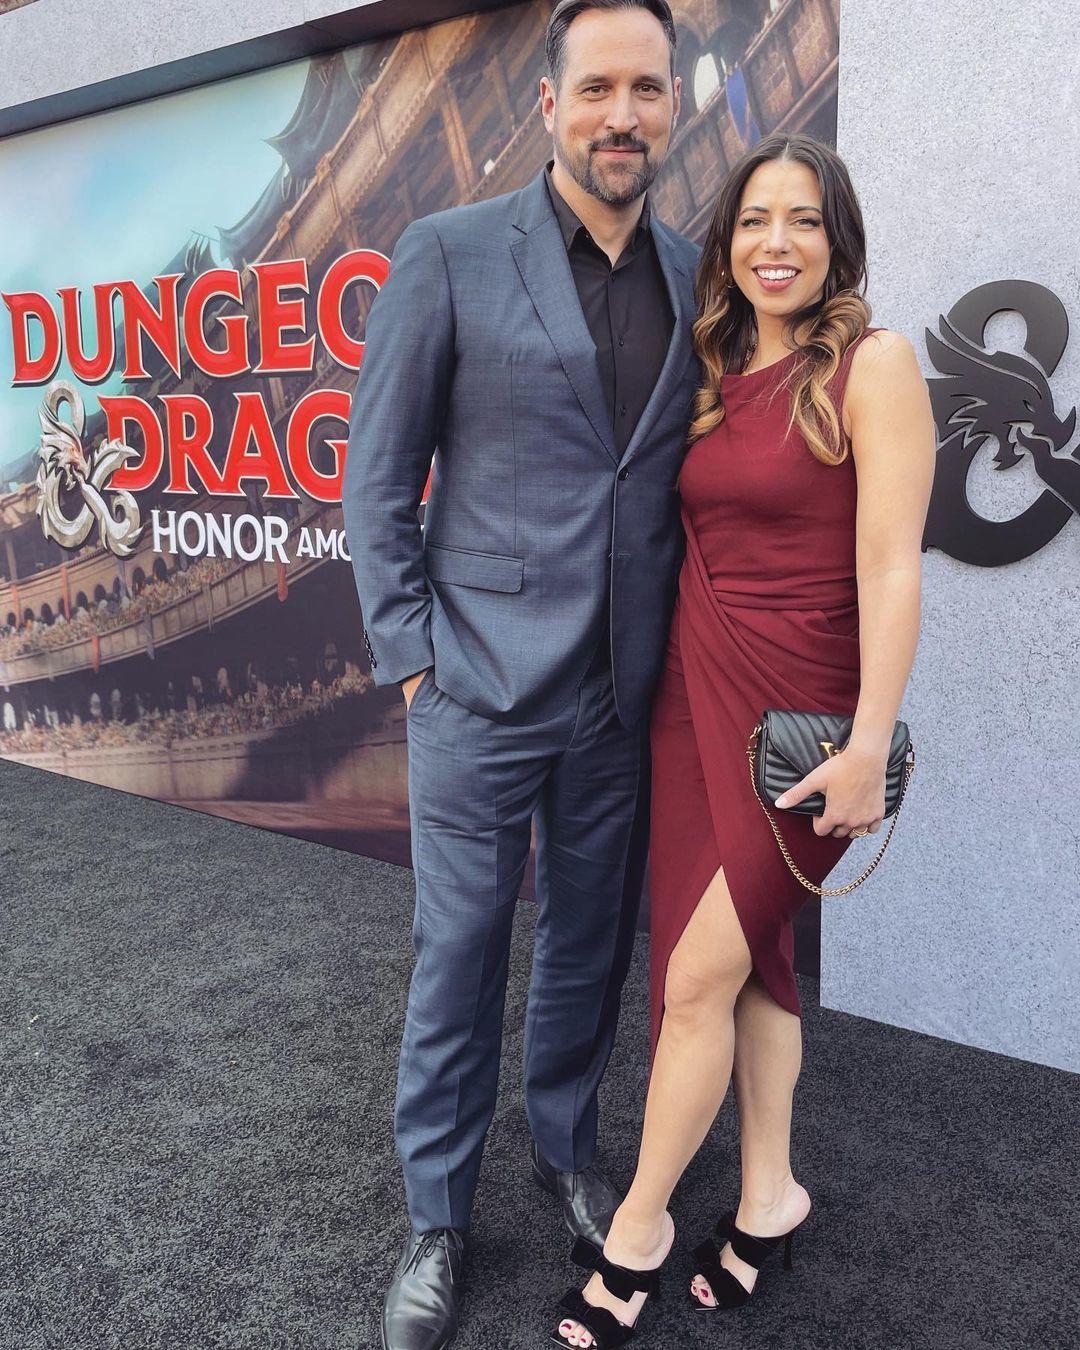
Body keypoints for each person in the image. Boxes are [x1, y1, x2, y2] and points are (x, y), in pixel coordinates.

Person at [341, 2, 700, 1345]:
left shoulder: (696, 271)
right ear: (550, 104)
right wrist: (416, 665)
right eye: (597, 87)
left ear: (673, 105)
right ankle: (437, 1218)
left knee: (590, 949)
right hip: (477, 692)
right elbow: (376, 480)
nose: (622, 114)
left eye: (645, 89)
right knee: (460, 955)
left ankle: (567, 1151)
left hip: (619, 694)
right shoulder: (447, 252)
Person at [553, 133, 935, 1347]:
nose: (778, 242)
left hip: (807, 724)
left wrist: (870, 745)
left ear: (838, 241)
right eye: (757, 220)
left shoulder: (876, 365)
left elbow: (892, 568)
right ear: (727, 244)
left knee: (693, 983)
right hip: (692, 697)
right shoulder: (712, 368)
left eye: (804, 220)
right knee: (754, 964)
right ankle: (769, 1197)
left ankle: (638, 1231)